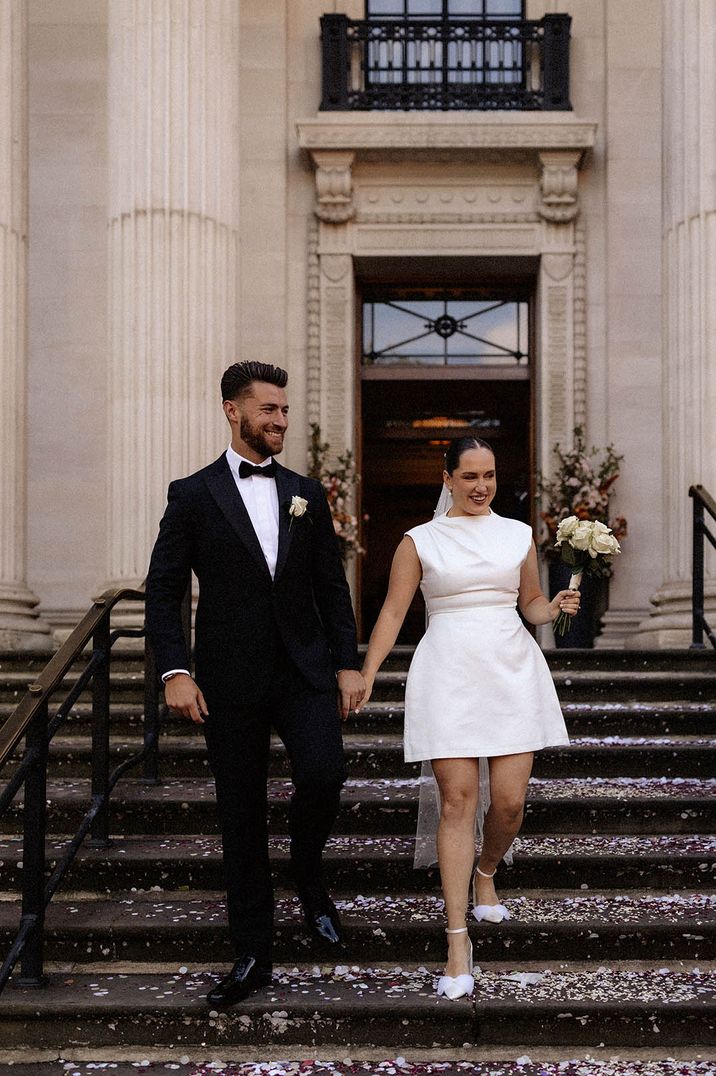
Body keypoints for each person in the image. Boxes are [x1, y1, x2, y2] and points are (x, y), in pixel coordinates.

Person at [145, 361, 365, 1008]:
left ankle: (306, 871)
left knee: (324, 775)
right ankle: (252, 955)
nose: (280, 421)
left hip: (303, 671)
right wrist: (175, 670)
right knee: (240, 816)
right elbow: (164, 588)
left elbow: (330, 584)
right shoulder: (192, 494)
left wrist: (347, 662)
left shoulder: (307, 492)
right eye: (268, 409)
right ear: (231, 411)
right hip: (227, 678)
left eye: (284, 410)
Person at [357, 436, 578, 1001]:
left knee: (509, 804)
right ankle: (457, 940)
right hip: (448, 671)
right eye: (471, 476)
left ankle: (487, 869)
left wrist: (550, 609)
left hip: (510, 668)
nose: (482, 486)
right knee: (457, 799)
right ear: (448, 477)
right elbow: (393, 610)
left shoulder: (518, 534)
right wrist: (368, 672)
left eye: (490, 475)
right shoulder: (419, 541)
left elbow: (527, 601)